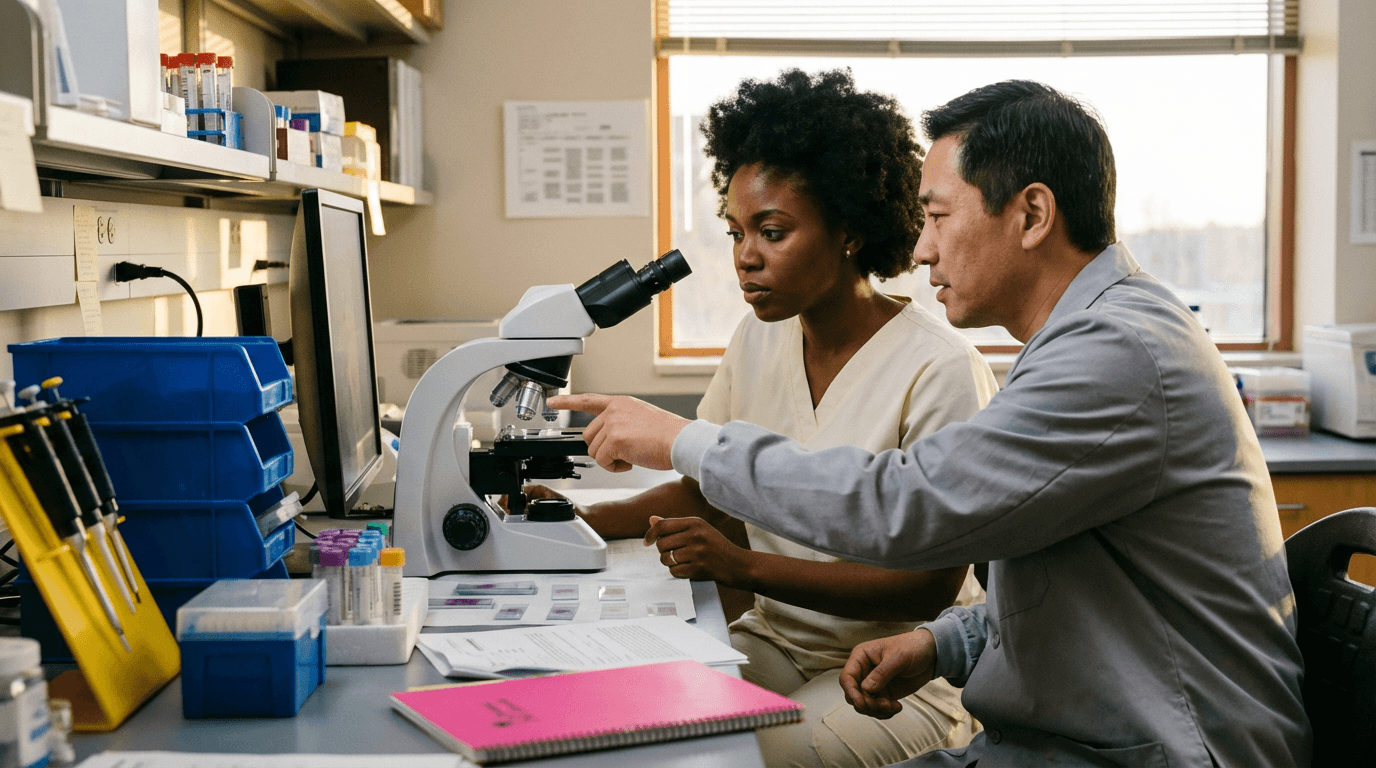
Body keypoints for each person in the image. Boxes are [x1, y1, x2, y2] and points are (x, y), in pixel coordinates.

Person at [551, 80, 1312, 766]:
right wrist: (942, 643)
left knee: (698, 760)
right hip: (1066, 736)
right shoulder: (1076, 345)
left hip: (1166, 751)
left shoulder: (1117, 354)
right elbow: (1076, 593)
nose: (919, 249)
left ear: (1033, 214)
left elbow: (911, 506)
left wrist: (680, 437)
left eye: (939, 217)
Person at [530, 69, 998, 767]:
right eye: (737, 231)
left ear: (847, 230)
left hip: (900, 673)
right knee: (633, 717)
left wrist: (740, 563)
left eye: (772, 232)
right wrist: (573, 523)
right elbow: (710, 486)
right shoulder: (761, 336)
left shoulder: (941, 368)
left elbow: (928, 586)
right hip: (776, 638)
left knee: (734, 755)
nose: (746, 257)